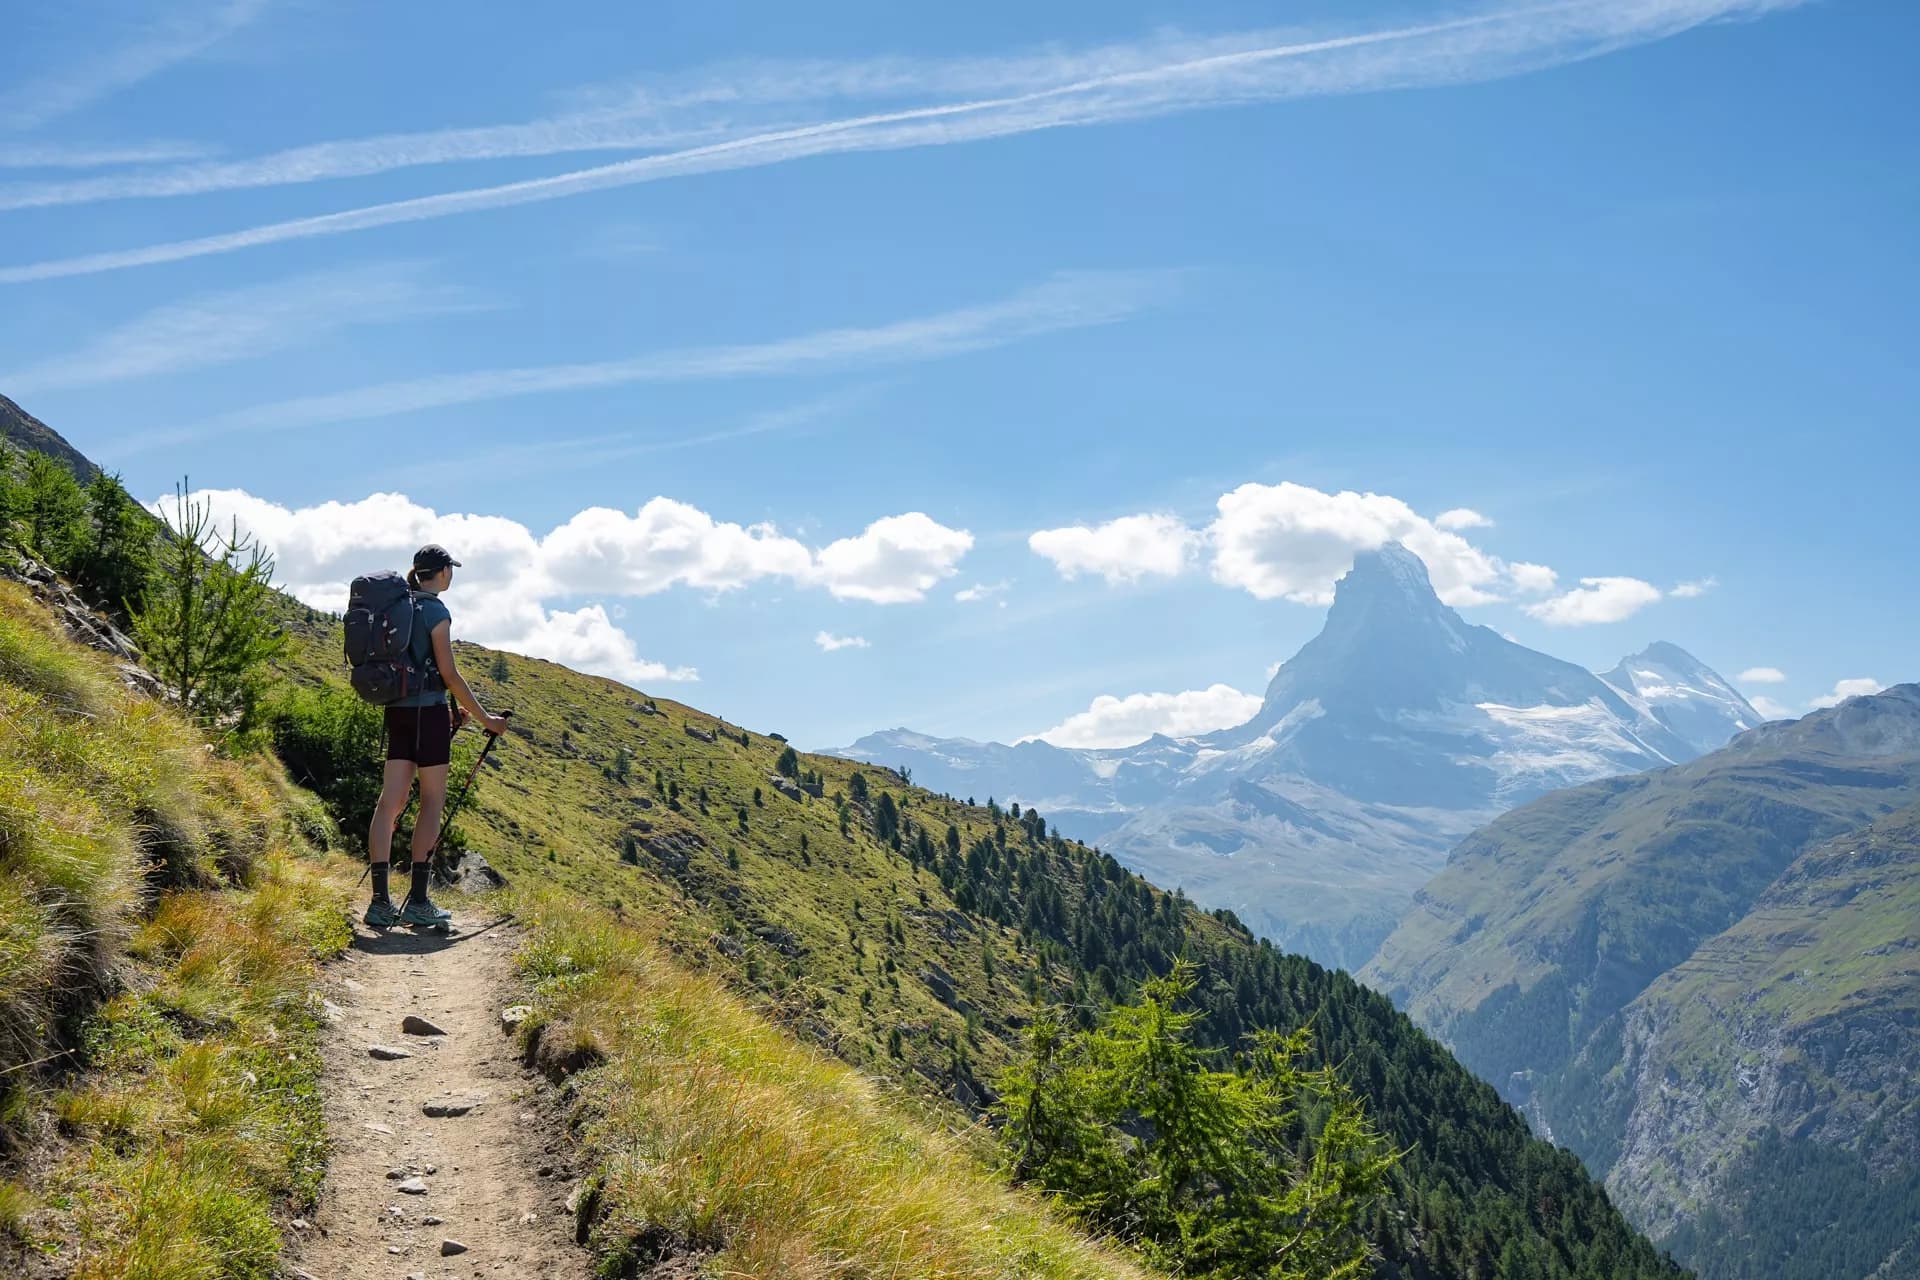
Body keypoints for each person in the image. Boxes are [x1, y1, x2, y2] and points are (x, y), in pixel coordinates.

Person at [365, 544, 508, 928]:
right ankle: (419, 903)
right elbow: (448, 674)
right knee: (431, 802)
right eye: (450, 569)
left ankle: (379, 902)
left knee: (389, 803)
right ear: (442, 572)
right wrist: (486, 720)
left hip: (397, 713)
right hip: (428, 716)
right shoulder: (435, 611)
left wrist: (451, 713)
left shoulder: (398, 607)